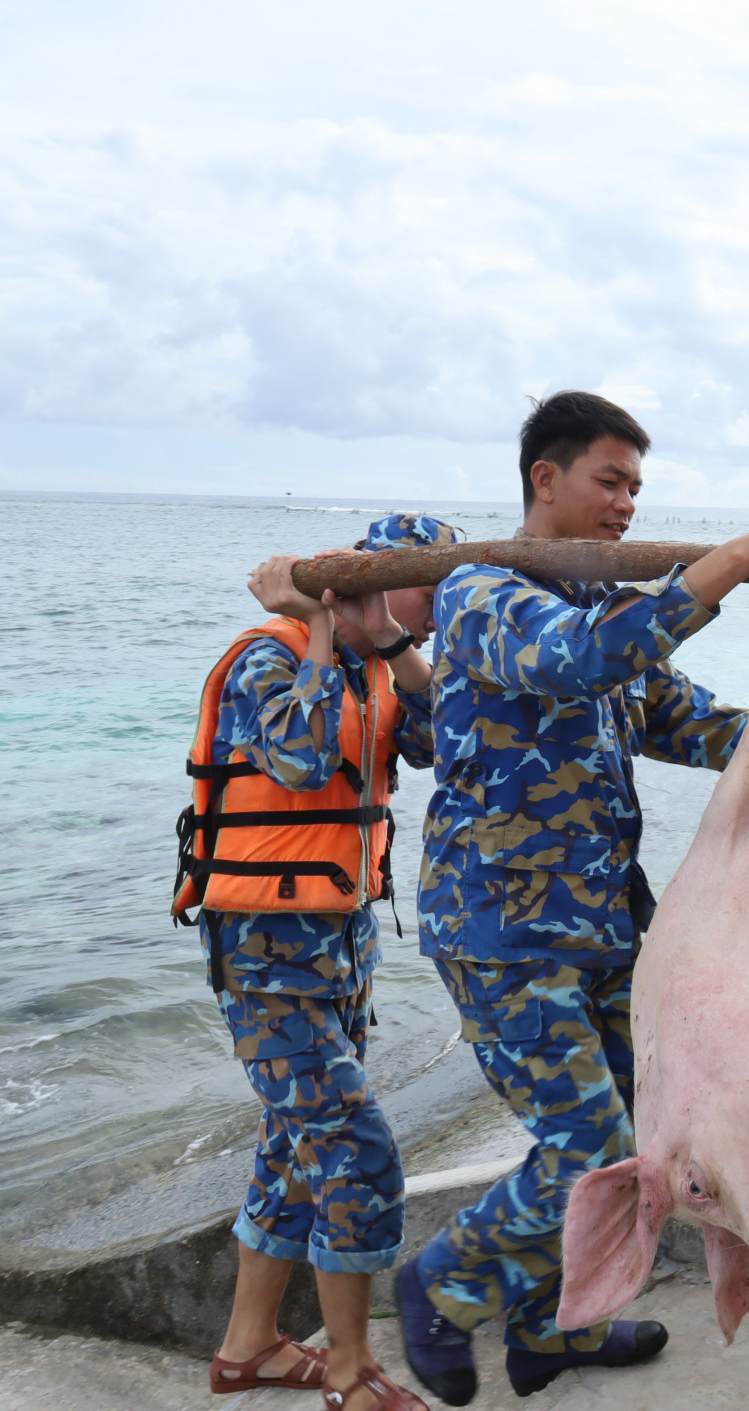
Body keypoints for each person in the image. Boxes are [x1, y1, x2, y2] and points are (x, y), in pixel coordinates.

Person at [396, 392, 749, 1404]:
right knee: (595, 1149)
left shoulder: (604, 613)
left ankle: (549, 1330)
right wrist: (733, 564)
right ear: (545, 479)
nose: (623, 505)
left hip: (613, 932)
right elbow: (580, 666)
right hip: (503, 934)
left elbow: (700, 728)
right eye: (608, 482)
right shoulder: (482, 596)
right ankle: (439, 1283)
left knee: (644, 1138)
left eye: (635, 489)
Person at [175, 513, 463, 1411]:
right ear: (364, 584)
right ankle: (349, 1368)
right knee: (354, 1147)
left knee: (294, 1148)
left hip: (340, 947)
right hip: (266, 954)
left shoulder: (380, 667)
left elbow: (449, 739)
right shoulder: (272, 654)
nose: (437, 611)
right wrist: (328, 620)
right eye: (426, 588)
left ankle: (248, 1346)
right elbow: (297, 758)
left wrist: (389, 634)